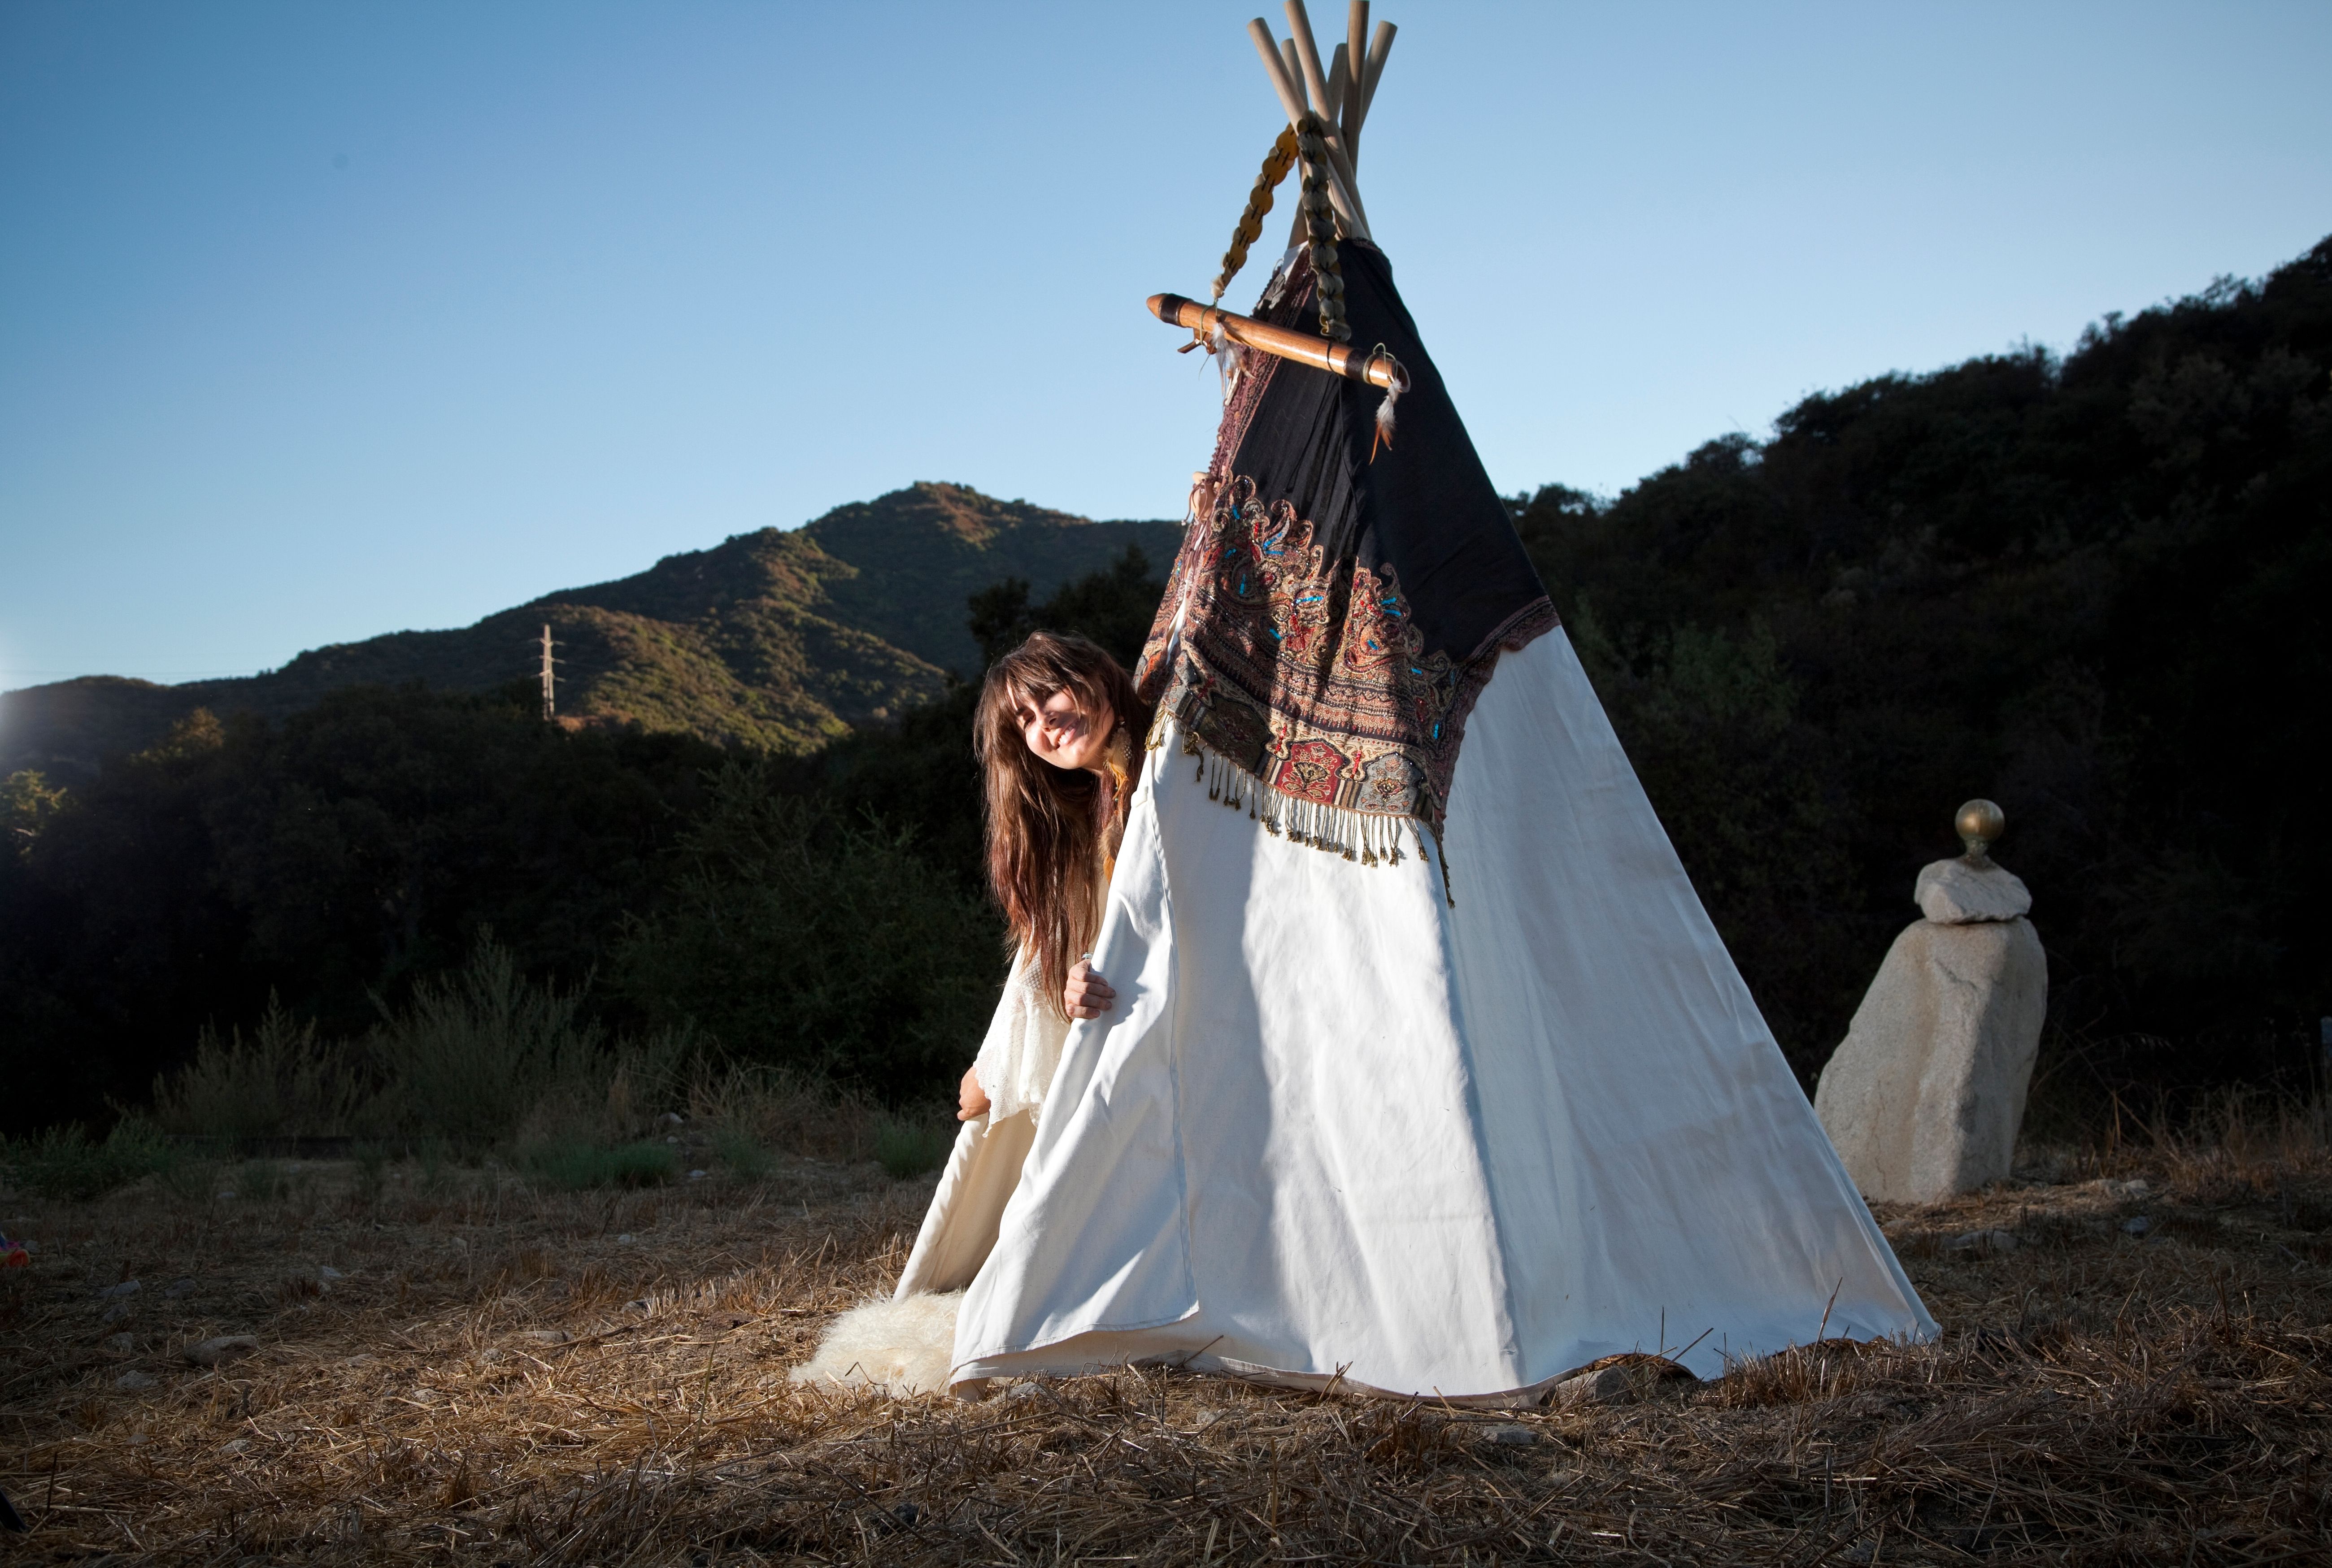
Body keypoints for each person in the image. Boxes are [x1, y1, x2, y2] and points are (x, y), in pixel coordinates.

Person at [956, 631, 1146, 1125]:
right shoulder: (1085, 821)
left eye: (1048, 697)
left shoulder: (1170, 772)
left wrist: (996, 1068)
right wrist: (997, 1062)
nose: (1047, 723)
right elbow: (1045, 951)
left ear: (1098, 676)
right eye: (1027, 722)